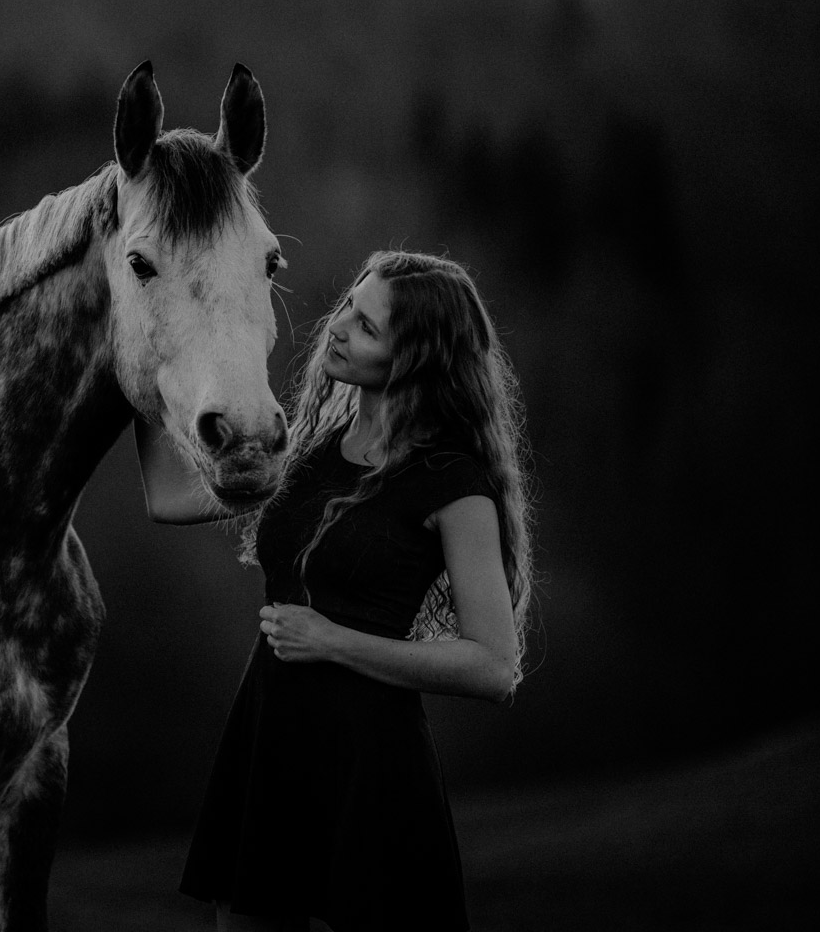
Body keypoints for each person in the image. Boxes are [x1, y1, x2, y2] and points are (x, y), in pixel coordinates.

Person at [139, 250, 534, 931]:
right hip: (269, 741)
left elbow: (495, 667)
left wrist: (333, 641)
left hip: (372, 767)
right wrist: (146, 375)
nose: (339, 327)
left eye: (368, 327)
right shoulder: (316, 450)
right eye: (350, 304)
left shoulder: (454, 485)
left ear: (416, 359)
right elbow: (170, 498)